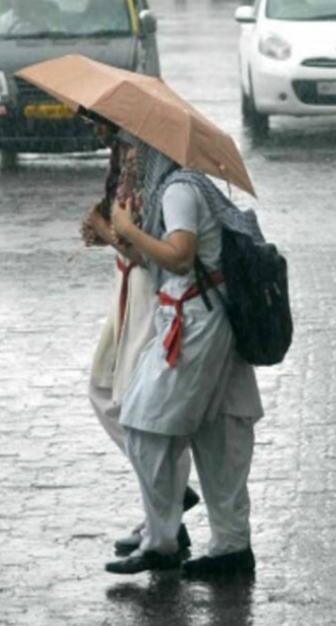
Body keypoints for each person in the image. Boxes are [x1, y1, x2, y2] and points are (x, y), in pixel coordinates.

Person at [104, 135, 264, 575]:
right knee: (219, 434)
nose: (130, 157)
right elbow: (153, 256)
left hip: (195, 322)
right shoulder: (183, 188)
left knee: (143, 423)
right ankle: (230, 546)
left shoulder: (178, 191)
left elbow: (178, 255)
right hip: (203, 318)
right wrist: (115, 233)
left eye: (136, 148)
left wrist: (129, 226)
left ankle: (162, 541)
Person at [79, 118, 201, 556]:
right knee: (108, 392)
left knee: (142, 407)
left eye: (94, 120)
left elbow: (146, 249)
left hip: (148, 292)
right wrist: (104, 232)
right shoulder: (122, 161)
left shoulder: (154, 170)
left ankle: (164, 517)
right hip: (125, 288)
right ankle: (169, 499)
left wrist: (109, 229)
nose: (91, 130)